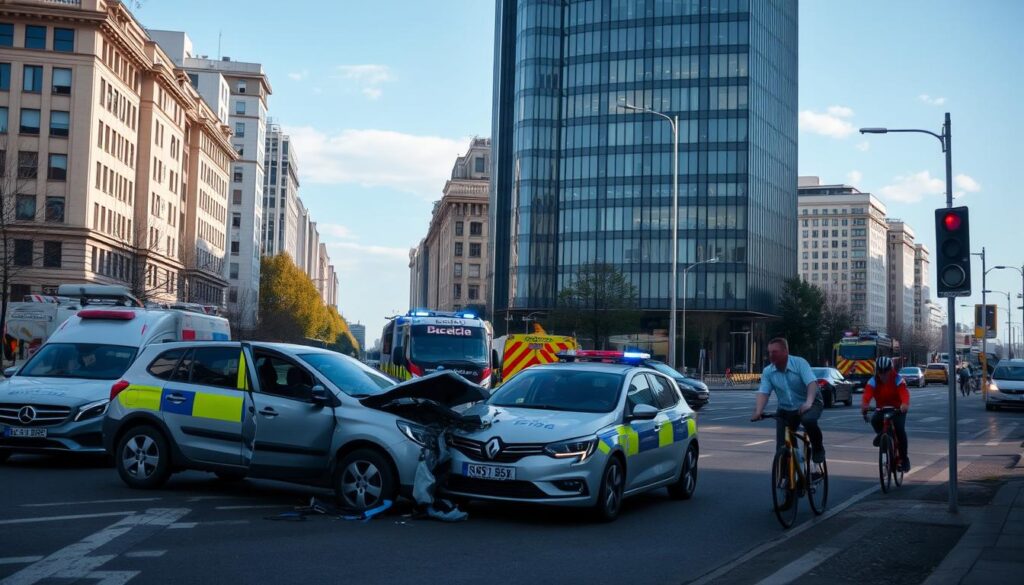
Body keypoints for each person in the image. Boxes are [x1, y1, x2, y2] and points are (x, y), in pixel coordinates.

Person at [751, 337, 826, 464]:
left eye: (775, 352)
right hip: (786, 409)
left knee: (808, 420)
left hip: (810, 402)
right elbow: (764, 392)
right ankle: (789, 474)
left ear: (785, 351)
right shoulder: (768, 371)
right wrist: (759, 411)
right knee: (782, 445)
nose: (771, 355)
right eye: (769, 352)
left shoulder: (799, 363)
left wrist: (808, 402)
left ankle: (818, 448)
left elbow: (811, 383)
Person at [861, 356, 911, 471]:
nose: (883, 375)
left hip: (897, 409)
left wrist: (904, 404)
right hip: (882, 409)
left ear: (890, 370)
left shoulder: (897, 379)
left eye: (886, 372)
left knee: (899, 429)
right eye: (880, 372)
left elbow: (904, 392)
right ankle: (883, 436)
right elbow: (867, 394)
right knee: (874, 420)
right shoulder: (873, 380)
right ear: (877, 371)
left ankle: (904, 459)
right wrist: (865, 405)